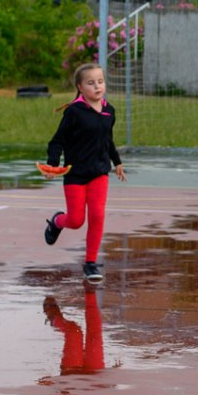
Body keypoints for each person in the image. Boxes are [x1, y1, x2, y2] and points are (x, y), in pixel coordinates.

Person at [42, 64, 126, 282]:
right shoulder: (74, 111)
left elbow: (107, 140)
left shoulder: (109, 111)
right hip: (76, 174)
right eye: (91, 83)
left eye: (100, 81)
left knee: (97, 215)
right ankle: (57, 222)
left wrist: (117, 162)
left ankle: (90, 263)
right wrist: (52, 164)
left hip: (99, 172)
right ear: (80, 87)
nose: (97, 86)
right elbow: (57, 141)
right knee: (76, 220)